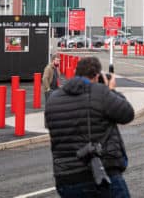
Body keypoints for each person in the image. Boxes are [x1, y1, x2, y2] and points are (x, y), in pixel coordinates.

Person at [45, 56, 134, 198]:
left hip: (65, 178)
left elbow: (50, 125)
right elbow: (127, 114)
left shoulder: (53, 99)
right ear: (97, 75)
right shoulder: (100, 93)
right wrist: (111, 90)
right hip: (100, 174)